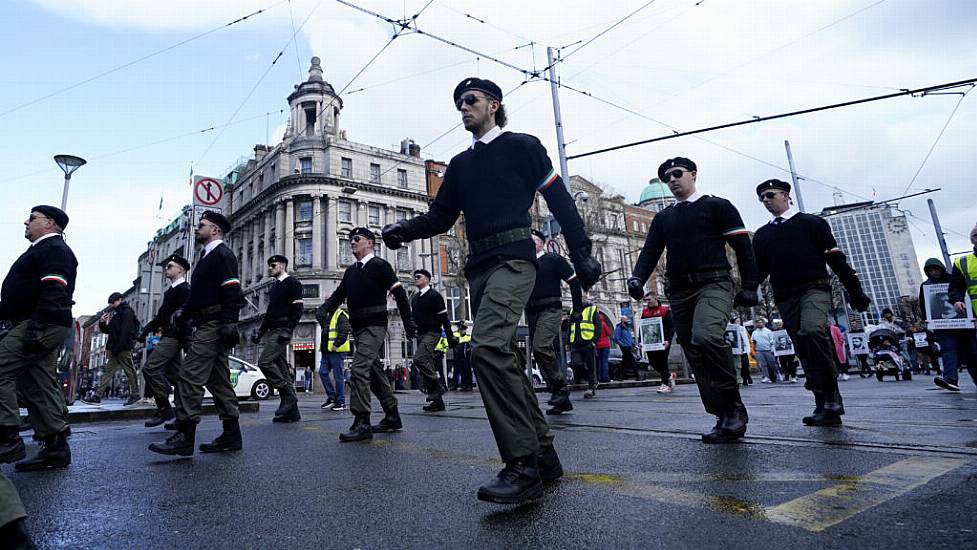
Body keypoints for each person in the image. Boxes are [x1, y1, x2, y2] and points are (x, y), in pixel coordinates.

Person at [381, 77, 601, 504]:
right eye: (458, 102)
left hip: (515, 260)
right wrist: (401, 231)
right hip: (477, 269)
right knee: (499, 357)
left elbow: (560, 202)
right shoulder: (460, 164)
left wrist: (583, 253)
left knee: (485, 348)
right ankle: (544, 453)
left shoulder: (524, 146)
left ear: (494, 105)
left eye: (470, 100)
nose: (463, 108)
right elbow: (441, 218)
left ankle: (522, 465)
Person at [628, 157, 758, 443]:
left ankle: (734, 406)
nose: (673, 180)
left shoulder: (717, 206)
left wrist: (750, 286)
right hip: (679, 291)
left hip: (714, 283)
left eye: (677, 174)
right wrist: (637, 278)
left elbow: (743, 247)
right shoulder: (665, 218)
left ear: (693, 175)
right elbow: (649, 252)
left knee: (707, 336)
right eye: (667, 177)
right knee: (694, 352)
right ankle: (721, 414)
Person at [751, 178, 871, 426]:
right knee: (802, 344)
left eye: (770, 195)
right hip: (784, 295)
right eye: (761, 197)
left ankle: (831, 394)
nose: (765, 200)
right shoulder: (762, 235)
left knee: (813, 330)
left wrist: (855, 291)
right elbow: (759, 270)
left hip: (813, 289)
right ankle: (822, 401)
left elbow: (836, 259)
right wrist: (746, 290)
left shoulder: (811, 224)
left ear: (785, 195)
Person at [149, 211, 245, 456]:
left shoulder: (223, 255)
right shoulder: (206, 256)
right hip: (205, 321)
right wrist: (186, 311)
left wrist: (229, 322)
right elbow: (201, 293)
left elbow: (231, 289)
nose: (196, 228)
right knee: (219, 382)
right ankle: (232, 434)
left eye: (201, 225)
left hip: (214, 324)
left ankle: (185, 434)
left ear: (215, 230)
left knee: (189, 377)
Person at [317, 227, 414, 442]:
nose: (352, 242)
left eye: (357, 239)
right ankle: (392, 416)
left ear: (370, 243)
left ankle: (362, 421)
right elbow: (339, 294)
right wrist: (324, 309)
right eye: (351, 239)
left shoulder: (380, 266)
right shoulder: (351, 271)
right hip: (359, 328)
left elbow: (399, 293)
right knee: (376, 374)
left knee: (359, 369)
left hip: (375, 326)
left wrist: (408, 321)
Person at [0, 205, 75, 471]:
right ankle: (55, 447)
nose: (26, 222)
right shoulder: (41, 249)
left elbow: (55, 288)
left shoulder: (54, 249)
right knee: (36, 383)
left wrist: (37, 327)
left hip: (42, 321)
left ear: (51, 223)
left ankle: (7, 436)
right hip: (35, 320)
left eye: (32, 218)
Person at [526, 229, 582, 415]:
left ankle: (560, 388)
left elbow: (573, 282)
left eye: (533, 239)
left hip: (551, 308)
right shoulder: (525, 265)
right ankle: (560, 398)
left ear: (542, 242)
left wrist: (577, 310)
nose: (529, 242)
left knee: (541, 346)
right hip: (532, 312)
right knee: (538, 350)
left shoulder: (553, 259)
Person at [137, 254, 191, 428]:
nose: (166, 269)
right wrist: (145, 330)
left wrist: (186, 340)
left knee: (150, 368)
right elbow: (162, 317)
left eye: (170, 266)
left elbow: (187, 317)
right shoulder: (170, 292)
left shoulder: (185, 290)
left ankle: (164, 408)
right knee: (177, 377)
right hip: (168, 335)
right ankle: (183, 416)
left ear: (180, 270)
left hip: (175, 337)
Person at [251, 255, 304, 423]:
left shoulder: (293, 283)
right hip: (273, 329)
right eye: (269, 266)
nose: (270, 268)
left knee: (264, 362)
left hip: (282, 330)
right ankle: (292, 412)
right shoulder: (275, 286)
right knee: (282, 371)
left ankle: (288, 396)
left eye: (273, 265)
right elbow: (269, 313)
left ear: (283, 265)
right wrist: (260, 333)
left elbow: (298, 308)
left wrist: (289, 329)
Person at [924, 257, 977, 391]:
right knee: (948, 348)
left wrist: (972, 316)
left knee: (971, 353)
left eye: (936, 269)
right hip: (942, 326)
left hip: (964, 324)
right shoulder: (926, 286)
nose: (934, 273)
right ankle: (950, 378)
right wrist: (927, 320)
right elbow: (924, 305)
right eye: (931, 270)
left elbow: (967, 296)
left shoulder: (955, 279)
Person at [409, 268, 457, 413]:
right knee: (427, 365)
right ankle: (438, 403)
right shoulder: (415, 298)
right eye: (415, 277)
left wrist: (450, 337)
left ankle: (438, 386)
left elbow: (444, 317)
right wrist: (411, 331)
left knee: (419, 358)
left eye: (419, 276)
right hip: (421, 334)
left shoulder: (434, 296)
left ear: (427, 279)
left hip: (433, 332)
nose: (416, 278)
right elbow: (414, 318)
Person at [83, 292, 140, 406]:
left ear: (120, 300)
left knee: (129, 371)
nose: (112, 305)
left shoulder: (126, 312)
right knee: (108, 372)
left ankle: (135, 394)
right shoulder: (118, 313)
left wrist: (118, 348)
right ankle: (97, 396)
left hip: (122, 348)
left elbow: (125, 332)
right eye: (111, 303)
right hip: (116, 348)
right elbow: (109, 331)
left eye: (113, 302)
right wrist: (102, 322)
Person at [640, 294, 675, 392]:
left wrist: (668, 340)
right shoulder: (645, 312)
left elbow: (671, 327)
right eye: (646, 300)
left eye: (649, 299)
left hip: (663, 342)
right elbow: (642, 328)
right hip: (650, 343)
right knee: (653, 362)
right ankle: (669, 376)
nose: (647, 301)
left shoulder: (665, 311)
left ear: (655, 299)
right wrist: (640, 341)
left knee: (662, 362)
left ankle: (665, 384)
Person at [317, 306, 350, 411]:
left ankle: (341, 402)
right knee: (322, 372)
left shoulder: (341, 314)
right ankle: (332, 398)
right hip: (326, 351)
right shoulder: (327, 315)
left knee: (338, 376)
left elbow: (344, 330)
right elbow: (318, 316)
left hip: (336, 350)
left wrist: (337, 344)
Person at [570, 300, 600, 398]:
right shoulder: (572, 310)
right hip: (575, 343)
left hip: (588, 342)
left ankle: (591, 387)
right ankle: (587, 379)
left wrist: (594, 341)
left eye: (583, 297)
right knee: (575, 363)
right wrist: (568, 342)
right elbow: (570, 327)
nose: (581, 299)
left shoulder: (592, 309)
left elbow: (598, 326)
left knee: (591, 366)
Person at [751, 318, 778, 383]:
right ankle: (766, 376)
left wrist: (772, 349)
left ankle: (777, 373)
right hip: (759, 350)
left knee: (772, 363)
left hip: (768, 350)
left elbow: (772, 341)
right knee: (763, 364)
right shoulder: (754, 332)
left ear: (764, 323)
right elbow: (752, 341)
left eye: (761, 322)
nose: (759, 324)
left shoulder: (768, 331)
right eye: (758, 323)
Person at [613, 316, 637, 380]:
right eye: (626, 319)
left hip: (629, 347)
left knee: (625, 362)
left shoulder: (627, 328)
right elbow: (616, 338)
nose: (627, 320)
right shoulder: (619, 328)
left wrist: (634, 344)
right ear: (622, 320)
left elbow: (629, 338)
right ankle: (638, 375)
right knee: (632, 360)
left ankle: (619, 375)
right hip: (624, 347)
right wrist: (622, 344)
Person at [452, 322, 474, 391]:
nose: (461, 331)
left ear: (465, 330)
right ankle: (463, 385)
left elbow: (470, 346)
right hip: (458, 357)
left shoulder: (468, 336)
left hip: (466, 358)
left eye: (462, 330)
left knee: (467, 372)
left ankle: (469, 385)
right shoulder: (457, 336)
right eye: (460, 330)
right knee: (461, 372)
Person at [730, 318, 751, 386]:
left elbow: (746, 338)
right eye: (736, 321)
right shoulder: (731, 328)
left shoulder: (742, 328)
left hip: (743, 349)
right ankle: (742, 379)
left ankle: (747, 376)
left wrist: (748, 349)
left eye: (739, 321)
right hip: (736, 350)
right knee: (738, 365)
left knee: (745, 365)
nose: (738, 322)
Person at [595, 310, 613, 383]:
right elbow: (609, 333)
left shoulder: (594, 324)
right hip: (605, 345)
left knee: (599, 362)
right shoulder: (603, 323)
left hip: (597, 345)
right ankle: (605, 377)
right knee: (604, 361)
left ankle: (599, 377)